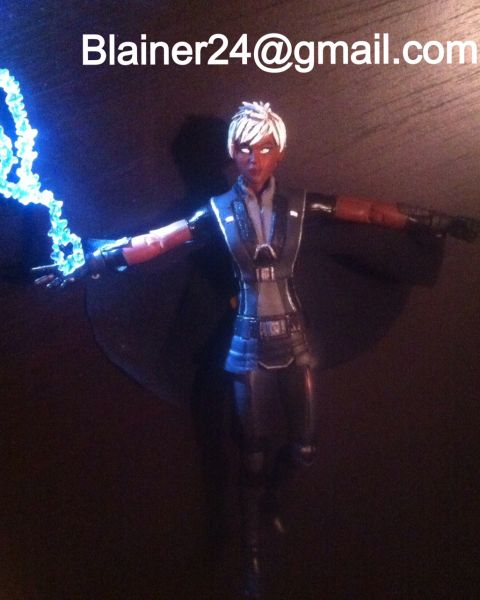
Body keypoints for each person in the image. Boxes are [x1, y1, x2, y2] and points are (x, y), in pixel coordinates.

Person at [36, 101, 479, 599]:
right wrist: (90, 263)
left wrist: (441, 221)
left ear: (279, 152)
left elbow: (373, 212)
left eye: (265, 147)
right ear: (233, 153)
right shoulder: (216, 213)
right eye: (245, 147)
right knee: (250, 451)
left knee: (304, 448)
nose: (255, 157)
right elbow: (156, 242)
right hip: (246, 340)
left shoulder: (300, 206)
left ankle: (273, 500)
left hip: (295, 335)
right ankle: (251, 549)